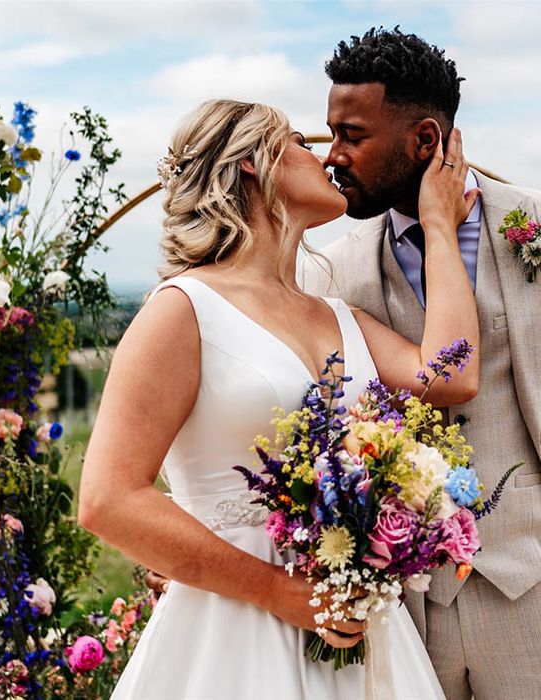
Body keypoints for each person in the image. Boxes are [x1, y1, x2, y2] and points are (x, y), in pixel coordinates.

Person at [79, 97, 478, 699]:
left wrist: (440, 227)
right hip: (229, 636)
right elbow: (108, 500)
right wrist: (277, 592)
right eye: (299, 141)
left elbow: (453, 373)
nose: (323, 157)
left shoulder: (339, 316)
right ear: (249, 163)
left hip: (357, 630)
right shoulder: (182, 309)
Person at [298, 28, 541, 700]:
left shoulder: (533, 226)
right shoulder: (332, 267)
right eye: (328, 135)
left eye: (351, 135)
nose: (333, 156)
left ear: (425, 141)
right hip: (402, 606)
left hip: (530, 587)